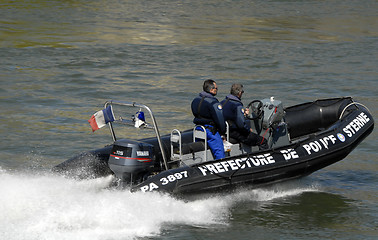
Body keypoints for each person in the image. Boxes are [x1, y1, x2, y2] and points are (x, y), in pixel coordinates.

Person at [221, 83, 268, 149]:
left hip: (226, 130)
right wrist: (248, 130)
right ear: (239, 93)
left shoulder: (223, 102)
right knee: (263, 141)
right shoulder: (238, 105)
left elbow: (229, 115)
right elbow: (241, 125)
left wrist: (243, 114)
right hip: (235, 133)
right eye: (242, 92)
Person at [191, 79, 226, 160]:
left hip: (198, 128)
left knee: (199, 152)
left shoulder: (195, 100)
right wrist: (222, 132)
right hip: (210, 130)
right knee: (219, 150)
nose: (217, 90)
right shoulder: (213, 102)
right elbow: (220, 120)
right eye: (216, 88)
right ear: (211, 90)